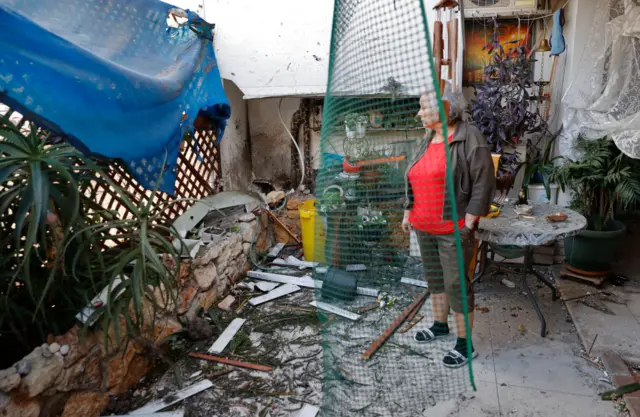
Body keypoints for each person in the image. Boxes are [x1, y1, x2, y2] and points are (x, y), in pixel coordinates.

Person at [402, 83, 495, 368]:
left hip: (452, 229)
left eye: (424, 107)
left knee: (456, 285)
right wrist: (408, 211)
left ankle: (465, 345)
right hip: (423, 226)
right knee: (436, 281)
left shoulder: (470, 138)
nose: (419, 113)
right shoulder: (427, 138)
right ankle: (440, 325)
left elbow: (484, 181)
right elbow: (412, 175)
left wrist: (469, 220)